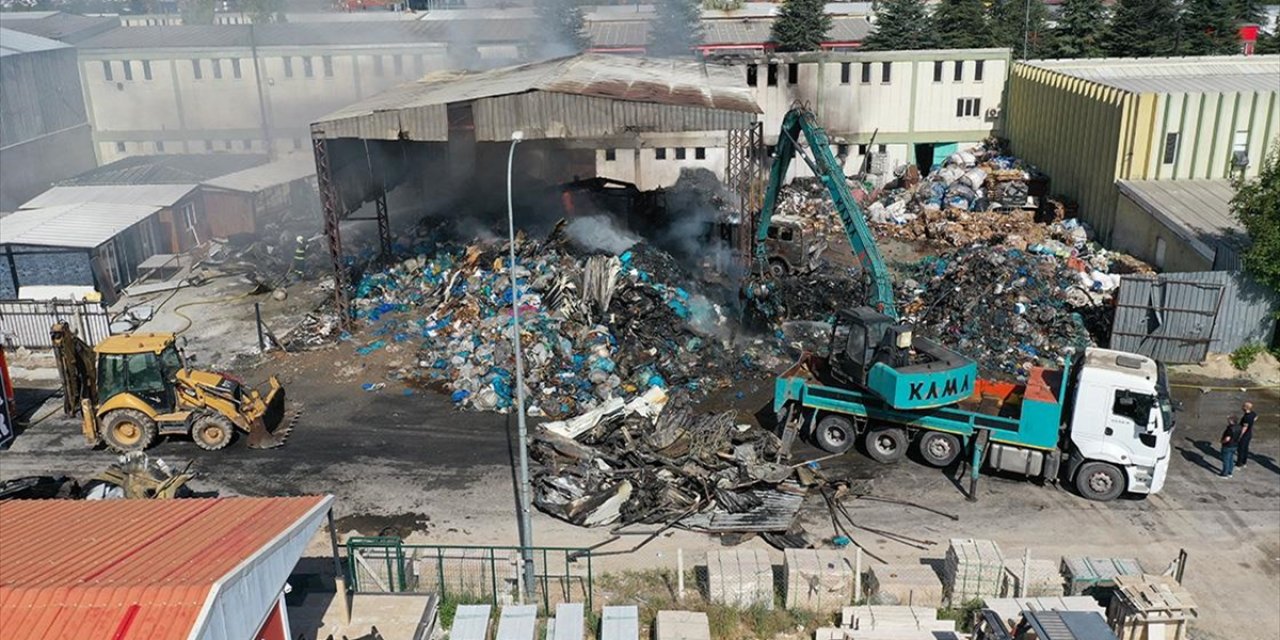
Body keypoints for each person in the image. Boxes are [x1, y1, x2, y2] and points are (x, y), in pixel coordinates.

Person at [1238, 402, 1257, 470]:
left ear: (1245, 408)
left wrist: (1239, 436)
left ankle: (1239, 463)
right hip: (1249, 433)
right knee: (1246, 448)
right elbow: (1256, 417)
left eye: (1243, 406)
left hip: (1245, 435)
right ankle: (1244, 462)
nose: (1242, 407)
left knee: (1241, 449)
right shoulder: (1253, 413)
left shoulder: (1246, 417)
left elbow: (1244, 428)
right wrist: (1251, 423)